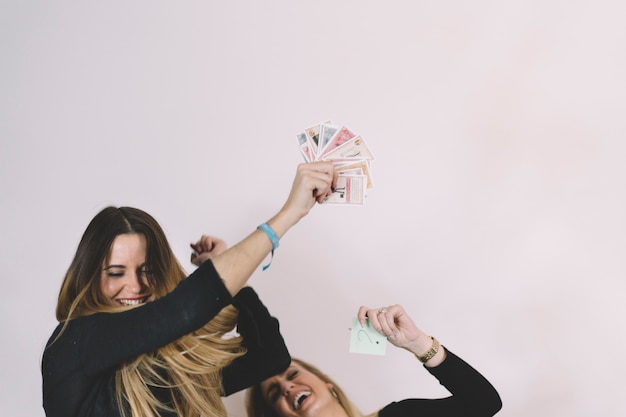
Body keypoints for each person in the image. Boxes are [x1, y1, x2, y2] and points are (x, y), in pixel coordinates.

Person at [41, 161, 337, 417]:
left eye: (148, 271)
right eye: (116, 273)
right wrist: (289, 214)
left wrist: (233, 277)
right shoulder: (72, 344)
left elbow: (269, 355)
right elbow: (182, 311)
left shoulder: (174, 368)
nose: (135, 286)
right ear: (89, 277)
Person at [246, 304, 503, 417]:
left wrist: (417, 343)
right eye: (274, 393)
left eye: (292, 375)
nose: (287, 387)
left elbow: (483, 404)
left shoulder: (399, 415)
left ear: (327, 383)